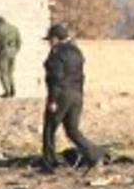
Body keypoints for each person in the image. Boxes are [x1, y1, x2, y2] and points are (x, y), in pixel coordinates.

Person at [40, 21, 99, 171]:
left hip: (61, 93)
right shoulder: (77, 51)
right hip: (77, 94)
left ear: (55, 38)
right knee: (72, 130)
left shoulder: (57, 53)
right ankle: (93, 154)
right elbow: (81, 75)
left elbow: (55, 77)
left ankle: (49, 163)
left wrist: (52, 99)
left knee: (49, 129)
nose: (49, 43)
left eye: (50, 40)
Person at [0, 14, 21, 99]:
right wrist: (15, 50)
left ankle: (7, 91)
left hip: (4, 52)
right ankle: (13, 89)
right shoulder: (14, 28)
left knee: (3, 72)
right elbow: (19, 41)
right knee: (10, 72)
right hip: (13, 51)